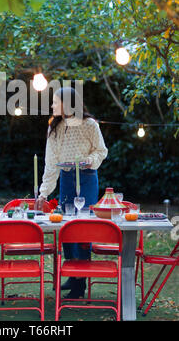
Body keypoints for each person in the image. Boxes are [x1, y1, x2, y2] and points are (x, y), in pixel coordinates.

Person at [36, 87, 108, 298]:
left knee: (82, 229)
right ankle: (72, 275)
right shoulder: (54, 127)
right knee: (66, 228)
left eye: (55, 102)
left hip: (86, 178)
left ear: (68, 104)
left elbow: (101, 151)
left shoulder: (90, 124)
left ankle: (80, 282)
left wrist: (90, 161)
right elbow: (51, 163)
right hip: (67, 178)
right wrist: (43, 193)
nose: (52, 106)